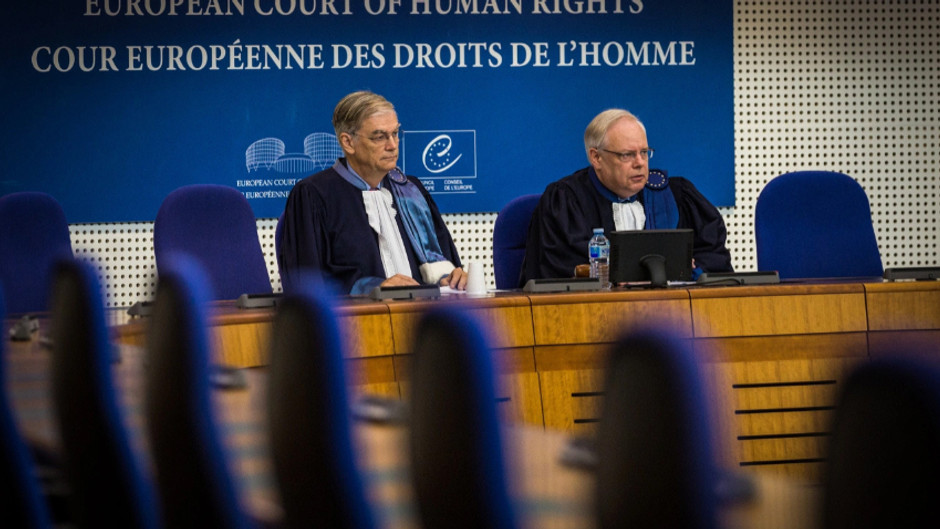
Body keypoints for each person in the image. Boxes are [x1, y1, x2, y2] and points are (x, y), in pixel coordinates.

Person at [278, 91, 468, 294]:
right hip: (358, 314)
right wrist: (373, 289)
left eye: (395, 134)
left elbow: (444, 265)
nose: (392, 145)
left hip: (422, 311)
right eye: (379, 137)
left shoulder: (412, 191)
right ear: (348, 142)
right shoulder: (313, 195)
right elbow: (307, 286)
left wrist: (453, 277)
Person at [520, 109, 732, 285]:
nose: (639, 163)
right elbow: (559, 271)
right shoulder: (567, 202)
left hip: (674, 314)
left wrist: (690, 269)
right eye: (627, 155)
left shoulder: (676, 197)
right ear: (596, 157)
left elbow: (714, 258)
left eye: (644, 152)